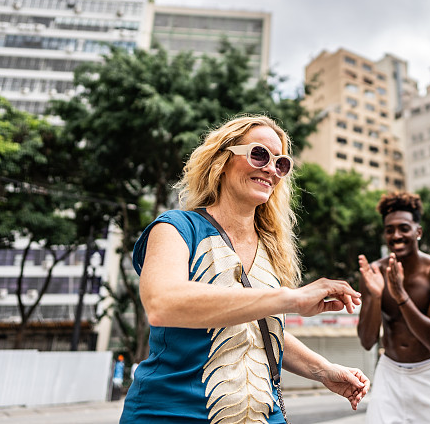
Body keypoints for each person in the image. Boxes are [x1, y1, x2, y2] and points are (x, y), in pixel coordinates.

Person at [120, 115, 369, 423]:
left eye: (280, 163)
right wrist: (290, 298)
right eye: (259, 154)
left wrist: (324, 370)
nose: (270, 169)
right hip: (171, 413)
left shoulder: (272, 249)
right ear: (223, 160)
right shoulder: (176, 228)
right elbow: (162, 304)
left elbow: (256, 329)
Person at [357, 191, 430, 424]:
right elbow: (367, 341)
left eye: (404, 228)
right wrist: (375, 297)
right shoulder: (373, 274)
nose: (396, 235)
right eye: (389, 229)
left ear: (418, 231)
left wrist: (400, 295)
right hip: (390, 371)